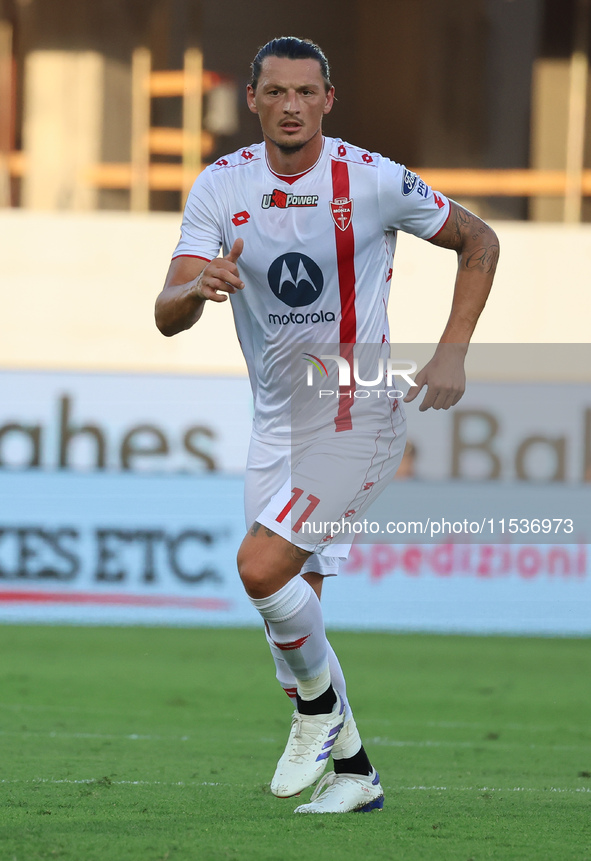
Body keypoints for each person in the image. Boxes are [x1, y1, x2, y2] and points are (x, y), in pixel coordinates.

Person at [155, 36, 499, 814]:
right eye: (274, 91)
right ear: (252, 99)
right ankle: (355, 772)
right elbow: (165, 313)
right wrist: (195, 288)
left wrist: (451, 355)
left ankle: (316, 719)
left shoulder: (371, 180)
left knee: (258, 568)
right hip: (273, 425)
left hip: (358, 416)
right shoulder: (219, 187)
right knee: (290, 609)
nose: (290, 105)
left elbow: (479, 240)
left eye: (305, 92)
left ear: (327, 99)